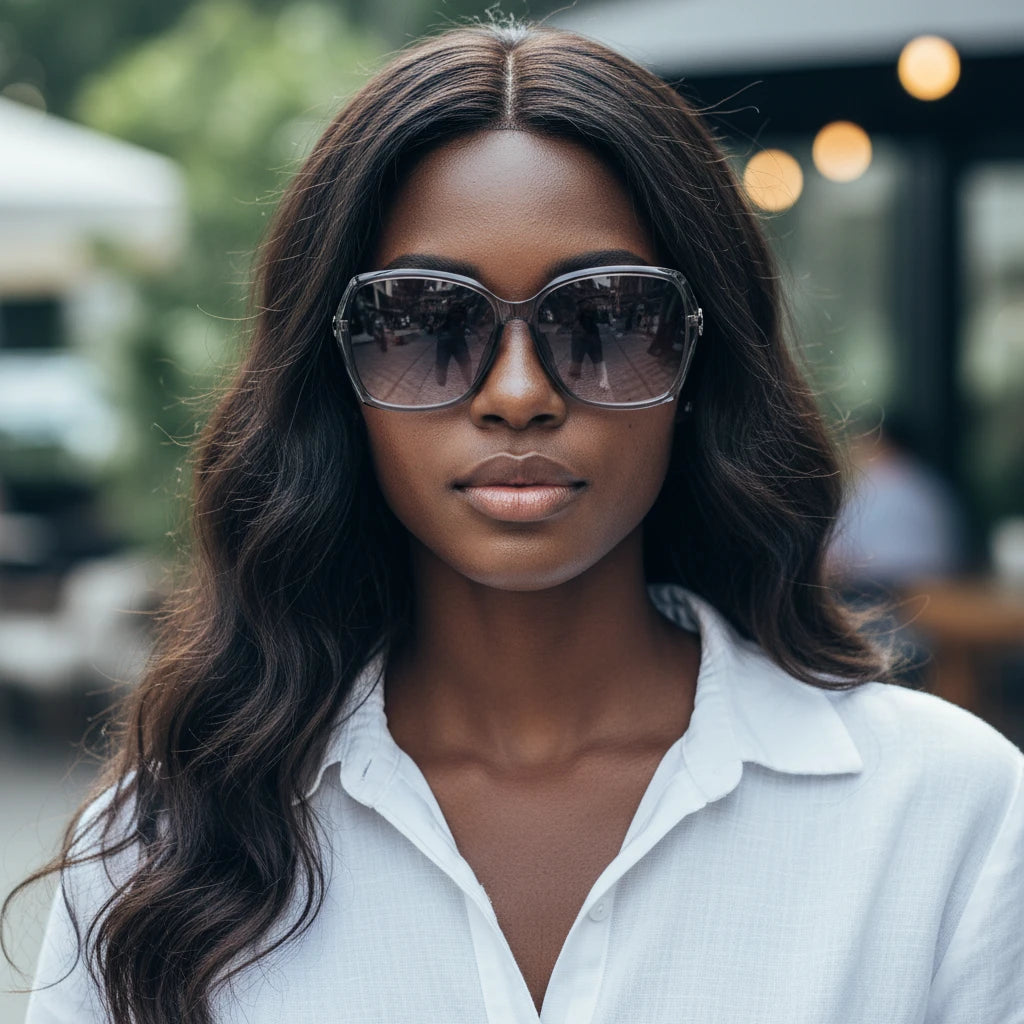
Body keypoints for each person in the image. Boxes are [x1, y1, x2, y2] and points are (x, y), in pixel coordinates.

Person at [8, 19, 1023, 1024]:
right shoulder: (167, 848)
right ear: (334, 375)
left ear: (699, 361)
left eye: (606, 316)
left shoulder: (943, 814)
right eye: (423, 319)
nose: (518, 392)